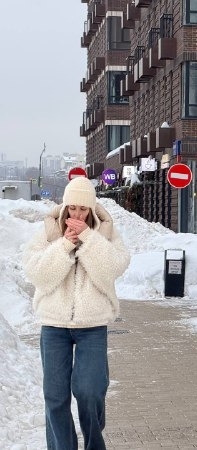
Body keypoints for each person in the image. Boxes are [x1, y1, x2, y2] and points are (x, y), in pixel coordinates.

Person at [22, 176, 130, 450]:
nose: (77, 215)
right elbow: (38, 274)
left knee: (90, 391)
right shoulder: (48, 234)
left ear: (92, 209)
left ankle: (94, 444)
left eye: (83, 209)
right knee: (55, 397)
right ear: (65, 207)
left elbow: (114, 268)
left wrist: (87, 238)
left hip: (92, 326)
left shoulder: (105, 234)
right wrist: (65, 246)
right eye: (72, 208)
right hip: (53, 325)